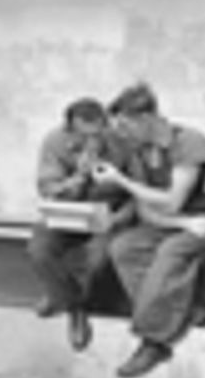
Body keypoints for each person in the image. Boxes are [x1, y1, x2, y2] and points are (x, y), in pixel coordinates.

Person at [93, 83, 205, 378]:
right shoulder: (139, 151)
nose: (122, 133)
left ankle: (153, 341)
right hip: (175, 224)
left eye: (125, 125)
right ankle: (184, 311)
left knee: (170, 252)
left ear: (146, 118)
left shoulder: (189, 142)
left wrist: (121, 181)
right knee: (123, 247)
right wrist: (178, 224)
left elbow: (173, 201)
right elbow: (145, 207)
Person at [28, 98, 136, 351]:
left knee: (95, 259)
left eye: (98, 132)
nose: (92, 140)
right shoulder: (54, 142)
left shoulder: (122, 144)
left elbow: (137, 192)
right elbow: (47, 188)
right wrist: (77, 178)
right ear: (70, 128)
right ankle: (70, 303)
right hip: (67, 213)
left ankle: (67, 304)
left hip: (107, 215)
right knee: (39, 250)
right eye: (83, 135)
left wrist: (118, 218)